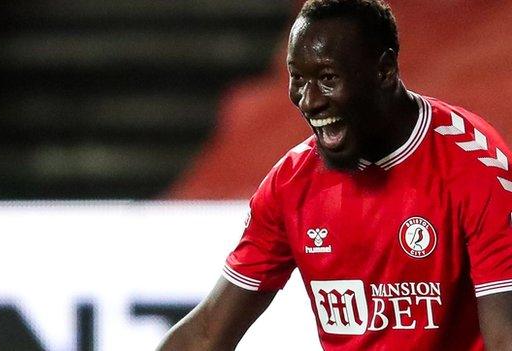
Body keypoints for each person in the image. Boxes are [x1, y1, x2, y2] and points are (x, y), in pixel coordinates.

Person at [157, 0, 512, 349]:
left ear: (384, 71)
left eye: (327, 78)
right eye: (297, 78)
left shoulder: (477, 168)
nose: (309, 100)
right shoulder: (291, 185)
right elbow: (206, 334)